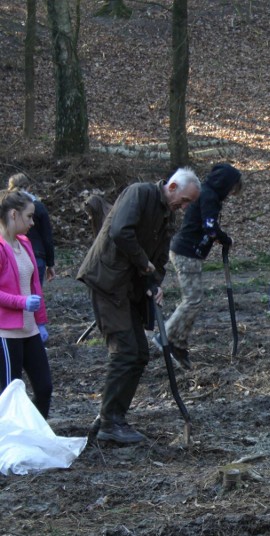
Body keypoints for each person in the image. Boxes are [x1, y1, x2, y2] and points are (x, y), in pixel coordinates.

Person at [77, 168, 201, 444]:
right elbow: (122, 232)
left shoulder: (167, 215)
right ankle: (110, 422)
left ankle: (111, 416)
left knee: (140, 353)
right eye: (185, 200)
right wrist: (143, 262)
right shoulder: (140, 193)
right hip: (107, 282)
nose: (185, 207)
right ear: (172, 187)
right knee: (125, 350)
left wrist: (155, 283)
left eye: (189, 203)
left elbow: (158, 260)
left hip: (129, 289)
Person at [156, 164, 243, 369]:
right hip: (186, 252)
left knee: (194, 300)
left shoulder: (210, 195)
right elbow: (210, 227)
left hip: (189, 252)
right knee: (192, 300)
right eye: (231, 189)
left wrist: (222, 238)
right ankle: (166, 337)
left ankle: (178, 342)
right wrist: (223, 238)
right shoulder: (209, 196)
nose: (230, 194)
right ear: (225, 184)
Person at [0, 190, 52, 417]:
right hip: (7, 334)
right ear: (13, 214)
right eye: (29, 216)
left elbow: (35, 287)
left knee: (44, 388)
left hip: (30, 331)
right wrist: (21, 302)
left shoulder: (25, 243)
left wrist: (41, 322)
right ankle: (9, 446)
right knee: (11, 395)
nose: (33, 222)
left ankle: (35, 436)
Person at [6, 174, 55, 285]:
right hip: (36, 256)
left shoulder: (5, 205)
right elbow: (47, 237)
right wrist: (50, 264)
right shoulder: (38, 206)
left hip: (10, 255)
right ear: (29, 187)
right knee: (34, 296)